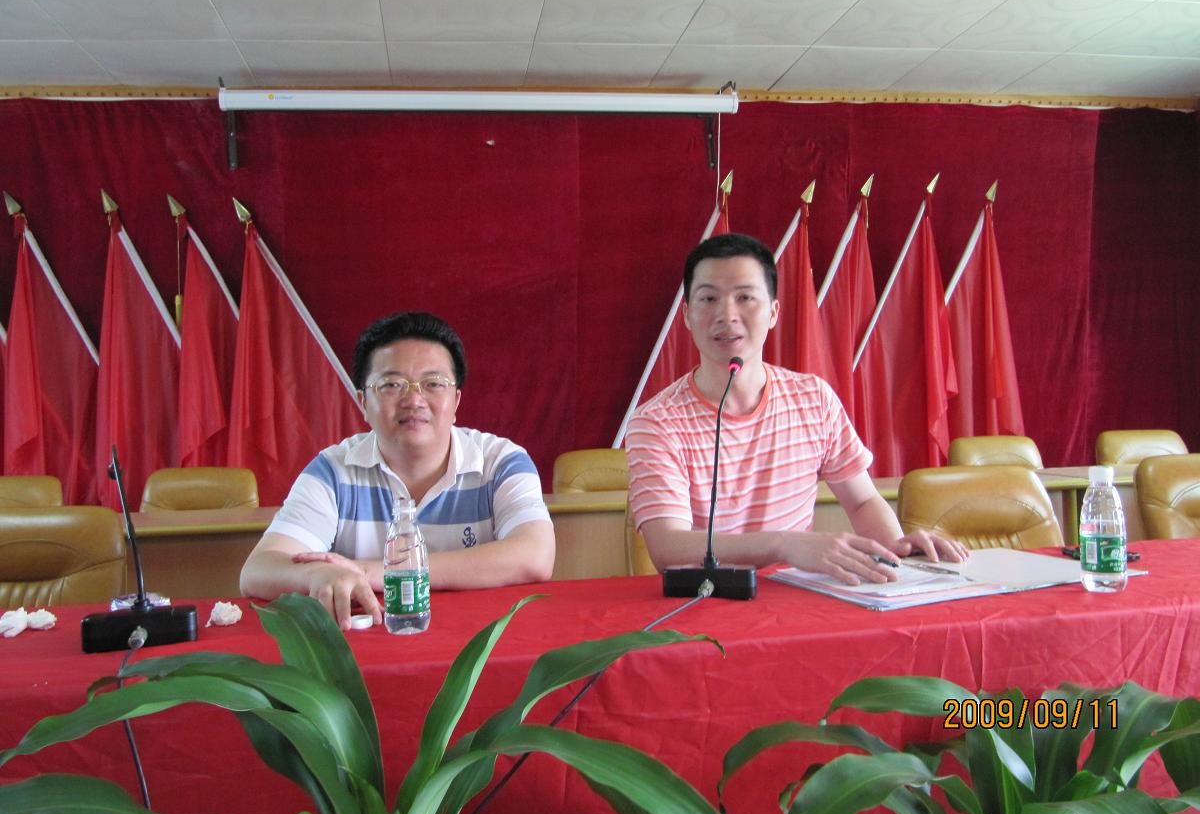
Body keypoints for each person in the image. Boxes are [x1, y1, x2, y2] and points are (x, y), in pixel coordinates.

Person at [625, 233, 967, 585]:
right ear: (686, 315)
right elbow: (669, 548)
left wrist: (897, 552)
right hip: (707, 601)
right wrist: (783, 545)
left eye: (745, 297)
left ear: (773, 312)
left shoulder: (813, 398)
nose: (727, 315)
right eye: (709, 299)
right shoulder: (656, 422)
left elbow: (862, 501)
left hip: (798, 600)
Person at [240, 311, 555, 628]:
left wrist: (373, 572)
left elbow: (535, 556)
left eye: (433, 384)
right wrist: (316, 574)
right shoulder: (333, 471)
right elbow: (258, 570)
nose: (414, 399)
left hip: (480, 639)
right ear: (363, 402)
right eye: (391, 384)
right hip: (371, 643)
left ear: (456, 401)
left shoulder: (501, 462)